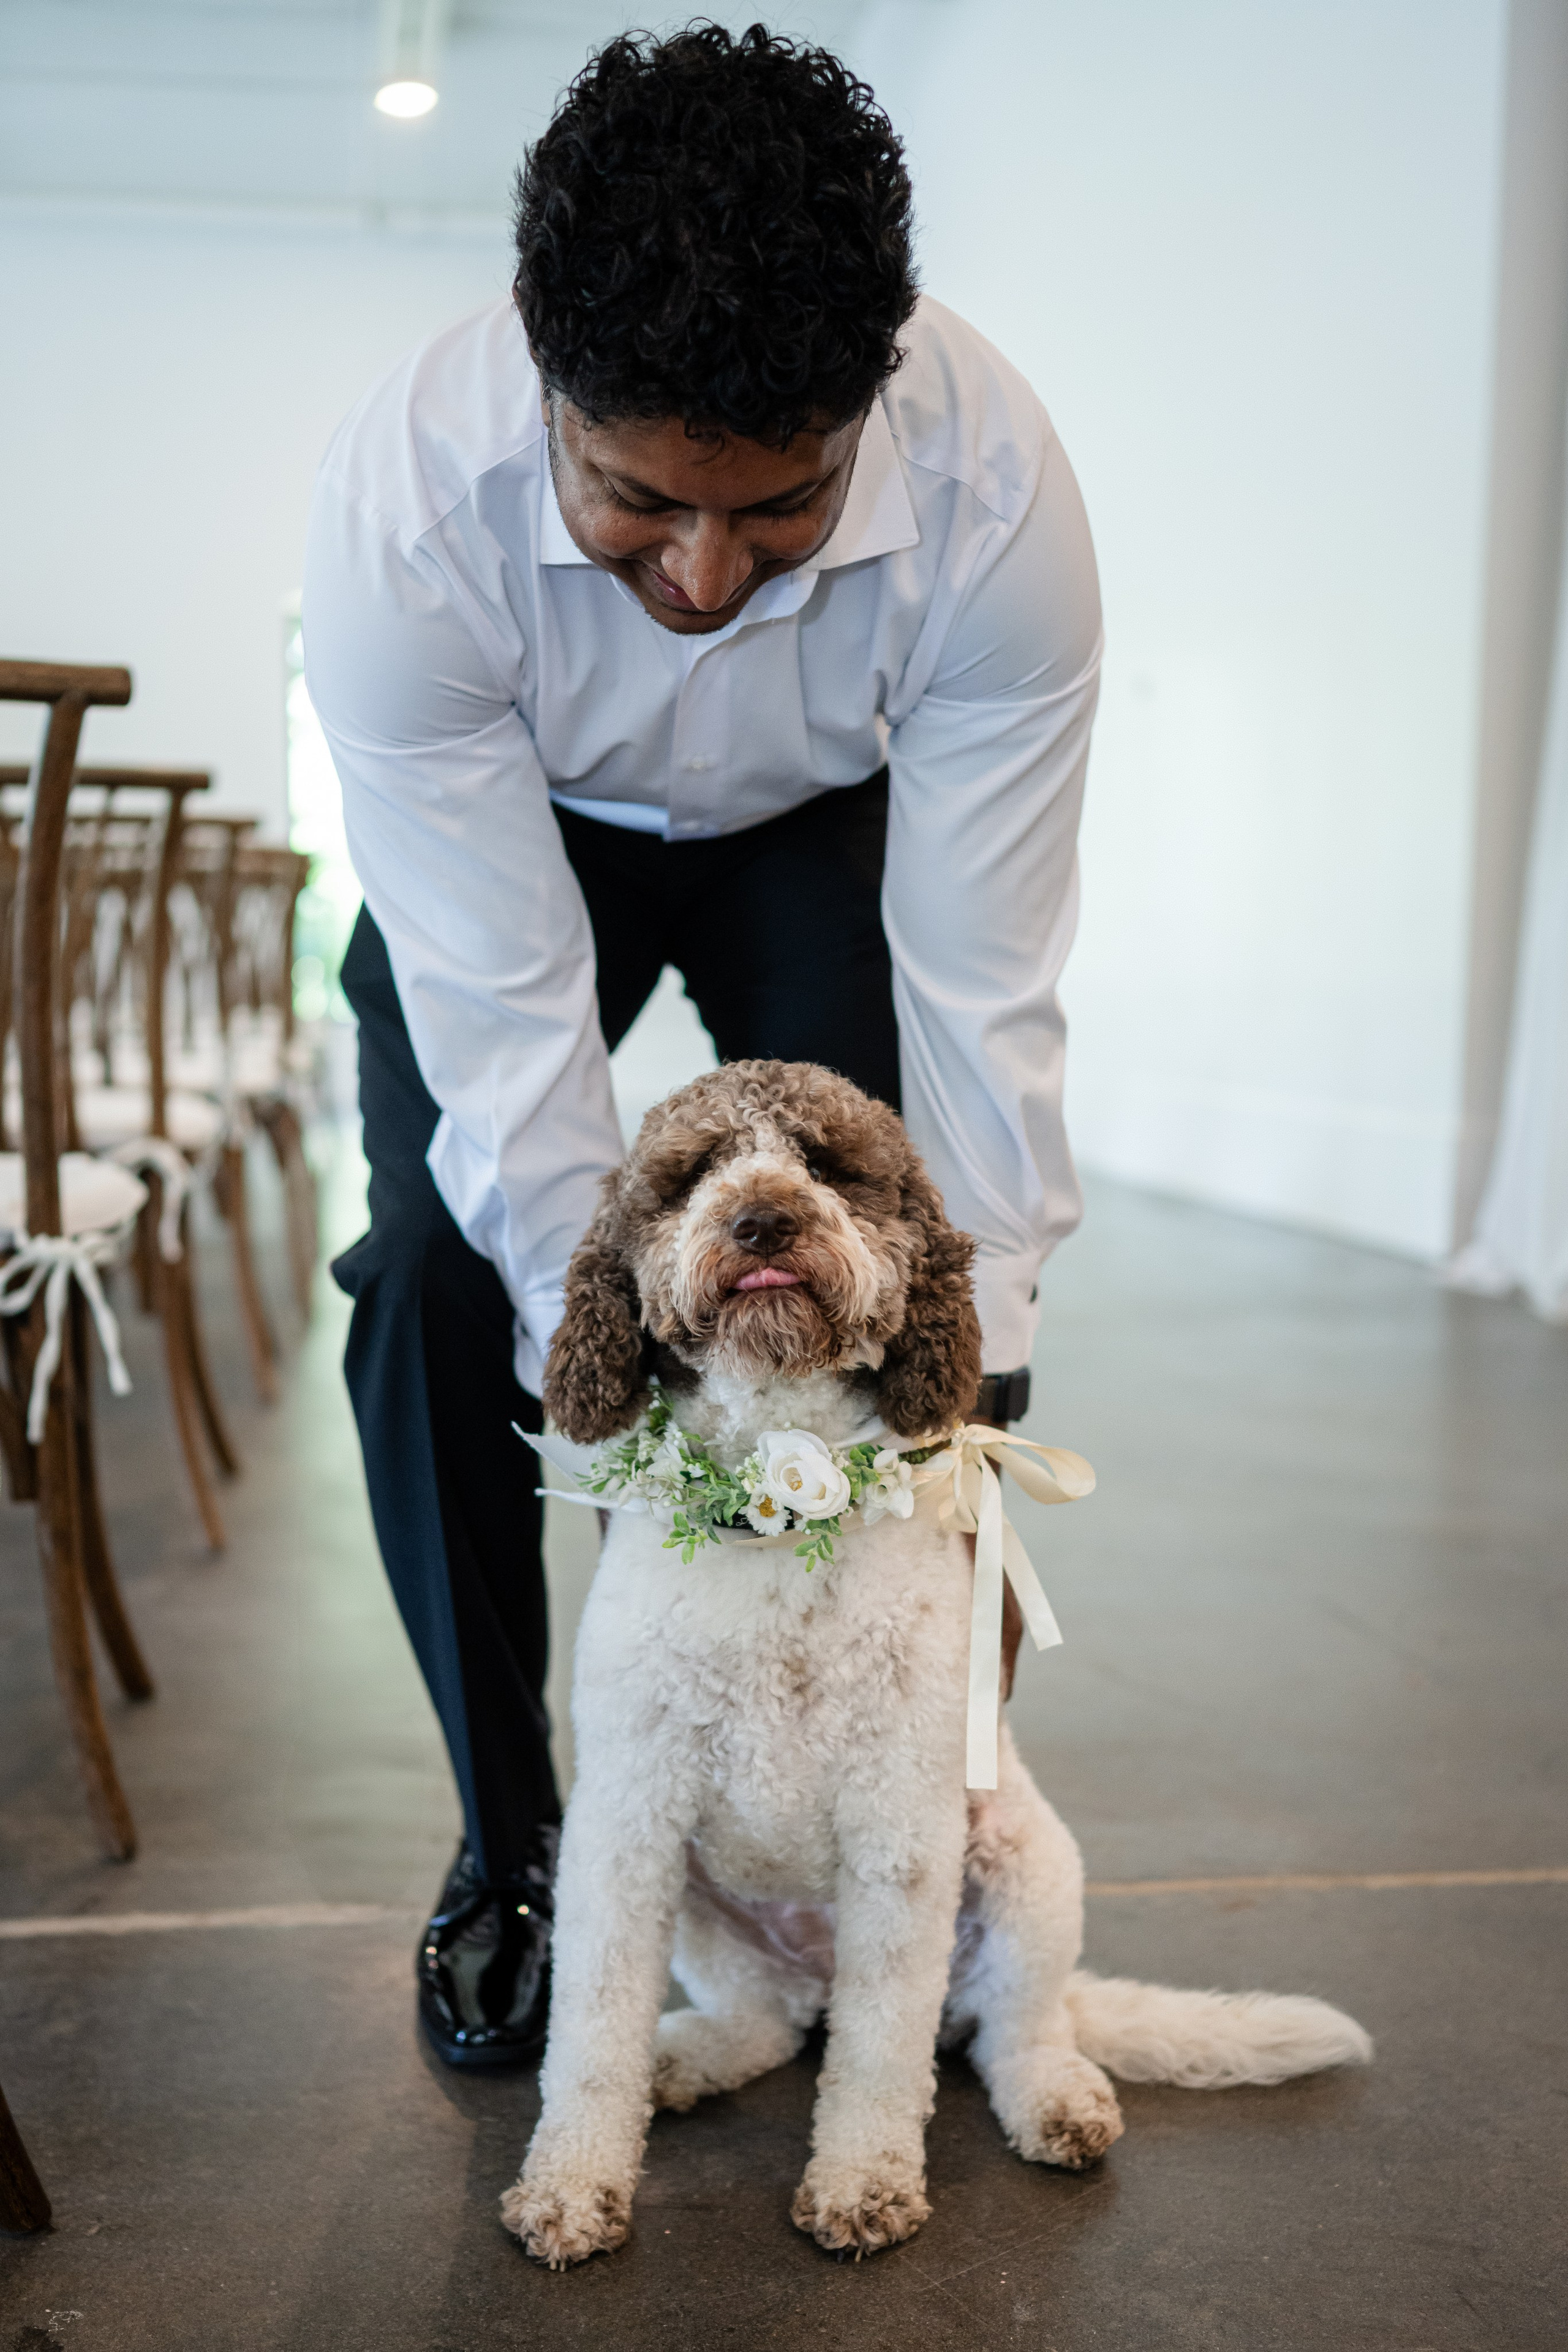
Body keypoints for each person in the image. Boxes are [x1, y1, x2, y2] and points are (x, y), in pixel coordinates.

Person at [303, 23, 1101, 2068]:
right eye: (640, 503)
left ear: (877, 401)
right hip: (523, 819)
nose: (707, 578)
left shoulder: (1003, 495)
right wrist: (607, 1404)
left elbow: (982, 988)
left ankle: (881, 1817)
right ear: (544, 379)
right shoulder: (405, 516)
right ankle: (523, 1844)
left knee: (906, 1280)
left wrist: (978, 1391)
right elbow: (510, 1057)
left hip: (823, 831)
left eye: (783, 513)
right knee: (423, 1286)